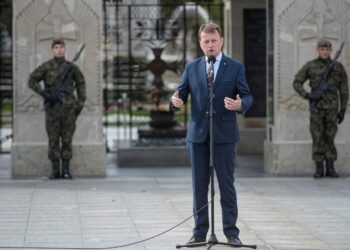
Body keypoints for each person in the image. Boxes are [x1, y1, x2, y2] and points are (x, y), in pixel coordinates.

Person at [170, 23, 253, 245]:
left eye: (213, 41)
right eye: (206, 41)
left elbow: (247, 96)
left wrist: (239, 105)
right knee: (199, 185)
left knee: (226, 185)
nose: (210, 45)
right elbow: (181, 93)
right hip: (197, 136)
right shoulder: (191, 67)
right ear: (200, 44)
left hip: (224, 135)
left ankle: (231, 232)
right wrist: (175, 101)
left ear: (221, 41)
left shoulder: (235, 67)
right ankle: (199, 232)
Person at [28, 38, 86, 179]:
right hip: (52, 110)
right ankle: (55, 171)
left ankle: (66, 171)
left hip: (68, 109)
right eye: (56, 47)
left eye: (61, 47)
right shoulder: (46, 67)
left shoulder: (72, 68)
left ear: (65, 49)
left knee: (67, 139)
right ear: (53, 50)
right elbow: (32, 80)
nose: (59, 49)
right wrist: (44, 94)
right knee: (53, 139)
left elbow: (81, 85)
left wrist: (79, 105)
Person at [293, 39, 348, 178]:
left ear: (330, 51)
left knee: (330, 137)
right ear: (317, 50)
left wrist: (342, 110)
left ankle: (330, 167)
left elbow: (344, 90)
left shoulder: (337, 67)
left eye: (327, 50)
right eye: (322, 49)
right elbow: (297, 82)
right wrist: (308, 95)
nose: (325, 52)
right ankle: (319, 168)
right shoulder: (310, 66)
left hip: (332, 109)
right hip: (316, 109)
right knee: (317, 137)